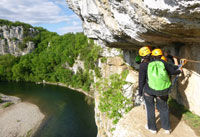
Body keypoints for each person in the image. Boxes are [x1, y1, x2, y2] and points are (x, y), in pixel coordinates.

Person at [138, 48, 182, 134]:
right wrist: (179, 69)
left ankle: (152, 128)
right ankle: (167, 129)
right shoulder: (161, 62)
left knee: (150, 108)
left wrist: (140, 93)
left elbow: (141, 80)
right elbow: (173, 69)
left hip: (149, 91)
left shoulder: (143, 65)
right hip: (162, 91)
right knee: (163, 108)